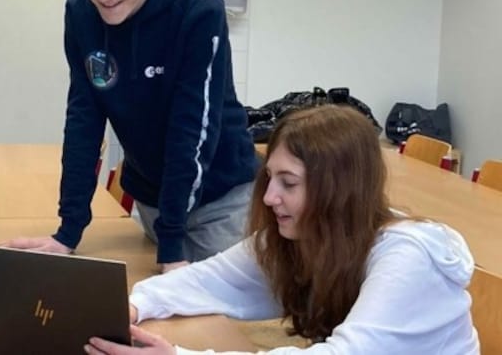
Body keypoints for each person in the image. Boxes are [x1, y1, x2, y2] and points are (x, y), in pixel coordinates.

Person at [84, 105, 479, 354]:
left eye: (289, 184)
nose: (270, 197)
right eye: (269, 178)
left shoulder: (406, 257)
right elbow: (207, 281)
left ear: (337, 191)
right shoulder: (301, 237)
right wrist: (133, 307)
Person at [3, 0, 257, 272]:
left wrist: (171, 245)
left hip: (218, 201)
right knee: (143, 306)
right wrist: (68, 232)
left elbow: (193, 129)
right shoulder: (80, 12)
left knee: (209, 320)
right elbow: (83, 120)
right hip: (153, 200)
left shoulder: (198, 10)